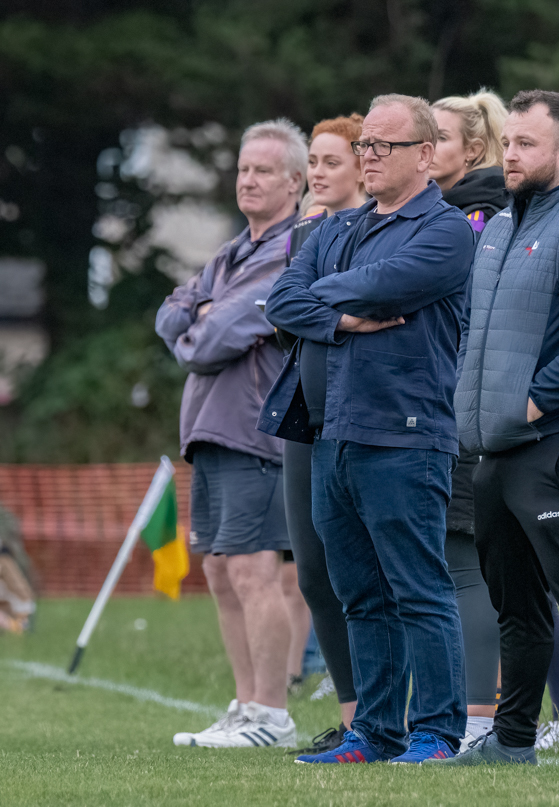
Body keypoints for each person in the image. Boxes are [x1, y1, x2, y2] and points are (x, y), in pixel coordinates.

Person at [429, 90, 559, 768]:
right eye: (510, 141)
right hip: (496, 446)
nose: (511, 153)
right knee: (514, 601)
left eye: (526, 144)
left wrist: (535, 401)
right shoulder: (497, 226)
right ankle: (513, 737)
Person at [259, 94, 475, 764]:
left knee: (418, 586)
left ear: (425, 154)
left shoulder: (444, 232)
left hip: (405, 436)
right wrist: (344, 316)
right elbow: (284, 299)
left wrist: (326, 296)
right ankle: (375, 731)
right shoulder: (335, 229)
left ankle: (437, 732)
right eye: (366, 146)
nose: (369, 156)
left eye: (383, 146)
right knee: (359, 593)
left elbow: (387, 282)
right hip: (334, 434)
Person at [431, 89, 559, 751]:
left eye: (433, 136)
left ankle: (544, 716)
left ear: (473, 148)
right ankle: (548, 716)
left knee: (524, 575)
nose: (420, 146)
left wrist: (523, 400)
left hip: (511, 423)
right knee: (515, 579)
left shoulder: (486, 215)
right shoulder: (463, 214)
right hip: (469, 415)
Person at [156, 118, 308, 749]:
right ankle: (245, 706)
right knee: (219, 570)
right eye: (244, 169)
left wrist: (205, 319)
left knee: (253, 570)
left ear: (295, 182)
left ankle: (272, 712)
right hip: (208, 431)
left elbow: (208, 340)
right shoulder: (229, 252)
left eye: (263, 170)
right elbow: (171, 313)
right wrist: (201, 315)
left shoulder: (294, 247)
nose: (248, 179)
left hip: (254, 431)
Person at [280, 113, 366, 752]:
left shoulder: (387, 230)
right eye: (312, 160)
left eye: (330, 161)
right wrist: (330, 311)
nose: (316, 173)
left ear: (367, 163)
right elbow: (284, 309)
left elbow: (325, 303)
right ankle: (355, 716)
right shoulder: (308, 231)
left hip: (373, 418)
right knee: (314, 572)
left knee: (374, 573)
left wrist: (319, 307)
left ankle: (401, 713)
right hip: (306, 419)